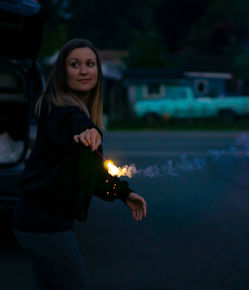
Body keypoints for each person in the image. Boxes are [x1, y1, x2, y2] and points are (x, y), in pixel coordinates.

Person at [11, 38, 147, 290]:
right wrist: (88, 132)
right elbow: (74, 127)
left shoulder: (70, 109)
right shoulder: (61, 110)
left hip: (34, 222)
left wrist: (123, 194)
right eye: (75, 64)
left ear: (98, 70)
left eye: (90, 64)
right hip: (45, 226)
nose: (84, 71)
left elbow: (93, 175)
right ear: (63, 72)